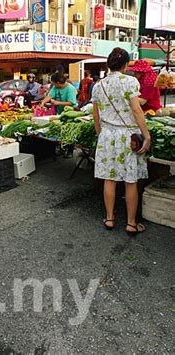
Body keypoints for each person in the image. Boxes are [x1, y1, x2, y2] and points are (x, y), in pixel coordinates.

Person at [91, 47, 151, 236]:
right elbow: (136, 110)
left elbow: (96, 115)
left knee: (110, 178)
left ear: (109, 64)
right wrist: (146, 135)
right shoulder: (130, 81)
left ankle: (110, 219)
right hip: (127, 136)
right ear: (126, 64)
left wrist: (102, 133)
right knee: (130, 180)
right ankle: (131, 223)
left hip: (107, 135)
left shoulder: (98, 85)